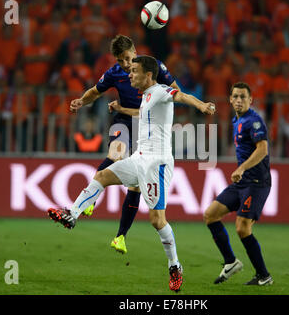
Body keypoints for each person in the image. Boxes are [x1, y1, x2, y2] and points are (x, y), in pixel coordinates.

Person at [48, 55, 216, 291]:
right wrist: (121, 108)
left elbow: (181, 96)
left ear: (148, 75)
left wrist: (201, 105)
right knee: (102, 176)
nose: (129, 75)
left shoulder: (160, 91)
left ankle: (174, 265)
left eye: (134, 71)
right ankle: (72, 214)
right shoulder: (147, 96)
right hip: (139, 158)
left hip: (156, 164)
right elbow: (142, 114)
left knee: (157, 221)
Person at [64, 35, 180, 255]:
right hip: (125, 121)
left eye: (128, 59)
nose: (125, 65)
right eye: (120, 61)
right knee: (117, 154)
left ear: (135, 51)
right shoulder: (114, 73)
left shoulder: (153, 67)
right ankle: (91, 199)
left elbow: (175, 91)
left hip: (147, 126)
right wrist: (81, 101)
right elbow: (95, 91)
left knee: (135, 186)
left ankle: (120, 237)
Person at [203, 82, 273, 286]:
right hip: (242, 183)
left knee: (242, 228)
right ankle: (230, 262)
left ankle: (264, 275)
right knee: (210, 215)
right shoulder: (236, 120)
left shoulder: (255, 121)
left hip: (257, 183)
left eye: (243, 97)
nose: (239, 100)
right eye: (236, 96)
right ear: (230, 100)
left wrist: (241, 168)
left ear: (251, 100)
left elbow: (262, 150)